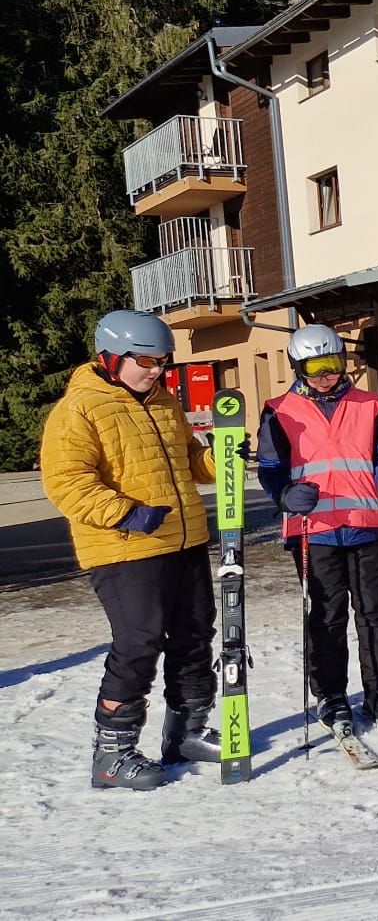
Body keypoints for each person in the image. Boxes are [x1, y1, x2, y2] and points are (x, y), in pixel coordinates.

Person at [41, 310, 226, 789]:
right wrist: (125, 513)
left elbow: (190, 464)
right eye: (145, 361)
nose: (156, 370)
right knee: (138, 643)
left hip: (184, 539)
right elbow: (66, 481)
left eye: (162, 361)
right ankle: (112, 754)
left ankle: (186, 733)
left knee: (194, 635)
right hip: (123, 547)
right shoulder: (79, 409)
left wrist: (221, 457)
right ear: (110, 356)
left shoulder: (164, 402)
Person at [257, 324, 378, 739]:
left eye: (332, 364)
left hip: (364, 522)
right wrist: (285, 494)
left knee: (375, 611)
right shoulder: (279, 409)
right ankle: (330, 694)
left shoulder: (366, 403)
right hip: (314, 529)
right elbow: (270, 468)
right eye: (315, 368)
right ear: (298, 368)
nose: (326, 375)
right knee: (327, 615)